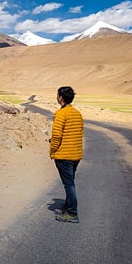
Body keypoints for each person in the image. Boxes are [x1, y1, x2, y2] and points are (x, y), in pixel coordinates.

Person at [50, 86, 84, 223]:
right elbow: (79, 133)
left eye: (57, 95)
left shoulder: (60, 114)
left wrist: (53, 151)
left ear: (60, 98)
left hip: (64, 155)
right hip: (76, 155)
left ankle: (72, 213)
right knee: (70, 182)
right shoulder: (77, 113)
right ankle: (67, 206)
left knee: (69, 185)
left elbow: (56, 136)